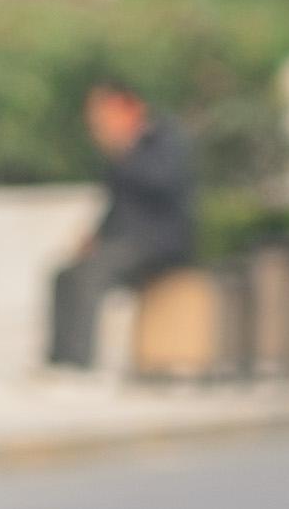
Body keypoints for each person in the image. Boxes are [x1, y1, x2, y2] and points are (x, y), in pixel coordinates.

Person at [45, 74, 197, 373]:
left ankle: (78, 363)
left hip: (160, 242)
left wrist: (125, 151)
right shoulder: (122, 151)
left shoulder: (164, 138)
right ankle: (59, 359)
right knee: (66, 273)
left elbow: (163, 186)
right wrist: (95, 236)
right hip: (124, 242)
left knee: (90, 274)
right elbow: (116, 204)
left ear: (129, 106)